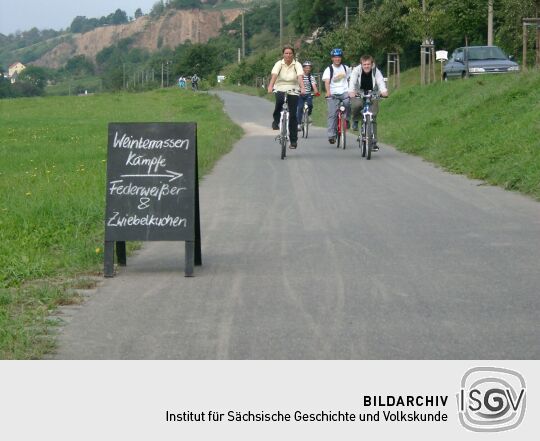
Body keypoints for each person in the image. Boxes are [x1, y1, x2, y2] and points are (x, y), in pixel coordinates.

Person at [267, 45, 306, 149]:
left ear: (293, 55)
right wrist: (270, 86)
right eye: (286, 53)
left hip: (293, 89)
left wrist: (302, 88)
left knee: (293, 115)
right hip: (280, 87)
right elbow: (274, 76)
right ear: (283, 54)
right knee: (279, 102)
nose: (288, 55)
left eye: (290, 53)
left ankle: (293, 141)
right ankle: (276, 121)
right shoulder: (279, 64)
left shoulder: (297, 64)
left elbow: (300, 77)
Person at [348, 55, 388, 151]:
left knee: (373, 115)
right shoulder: (356, 70)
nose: (366, 66)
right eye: (364, 64)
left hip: (372, 92)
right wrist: (351, 91)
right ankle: (356, 120)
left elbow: (380, 81)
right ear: (361, 64)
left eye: (368, 64)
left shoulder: (376, 71)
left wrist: (384, 91)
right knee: (356, 105)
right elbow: (352, 81)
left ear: (372, 64)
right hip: (359, 91)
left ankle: (373, 142)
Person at [321, 48, 351, 144]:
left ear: (341, 58)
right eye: (335, 57)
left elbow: (350, 79)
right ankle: (331, 135)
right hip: (333, 93)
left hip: (344, 91)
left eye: (339, 57)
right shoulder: (329, 69)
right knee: (332, 114)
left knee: (347, 103)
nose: (337, 59)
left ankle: (346, 119)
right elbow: (327, 82)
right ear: (332, 59)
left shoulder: (346, 68)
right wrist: (328, 92)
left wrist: (351, 90)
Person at [296, 61, 320, 130]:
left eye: (309, 68)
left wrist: (316, 91)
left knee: (310, 105)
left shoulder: (311, 77)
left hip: (308, 94)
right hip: (300, 94)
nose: (308, 69)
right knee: (299, 108)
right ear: (303, 68)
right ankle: (299, 124)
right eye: (306, 68)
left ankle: (308, 115)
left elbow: (314, 85)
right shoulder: (299, 76)